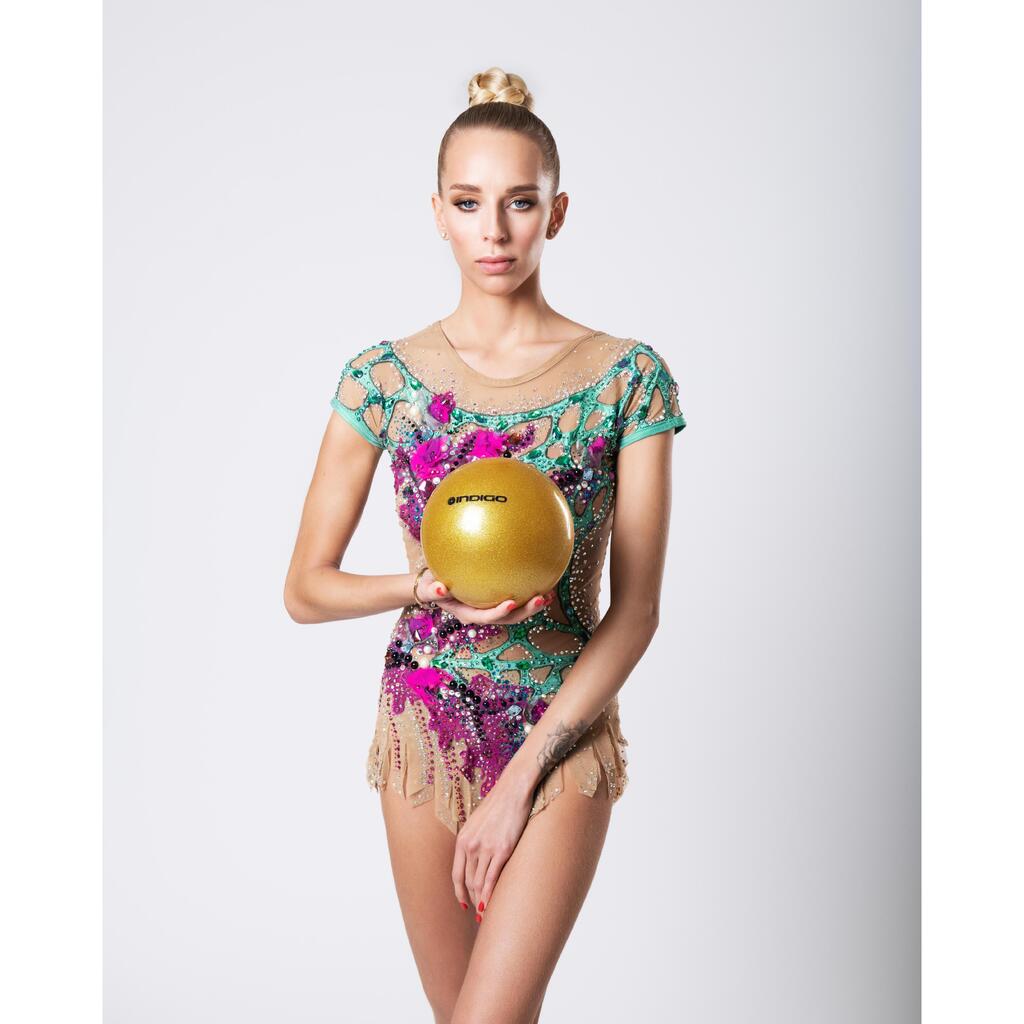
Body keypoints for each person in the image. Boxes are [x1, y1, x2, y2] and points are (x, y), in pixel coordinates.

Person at [284, 66, 687, 1024]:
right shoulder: (383, 378)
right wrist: (417, 588)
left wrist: (519, 784)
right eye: (468, 204)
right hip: (426, 722)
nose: (494, 231)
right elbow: (305, 588)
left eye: (520, 202)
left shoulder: (628, 378)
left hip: (560, 724)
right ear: (437, 214)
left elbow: (636, 611)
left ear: (558, 212)